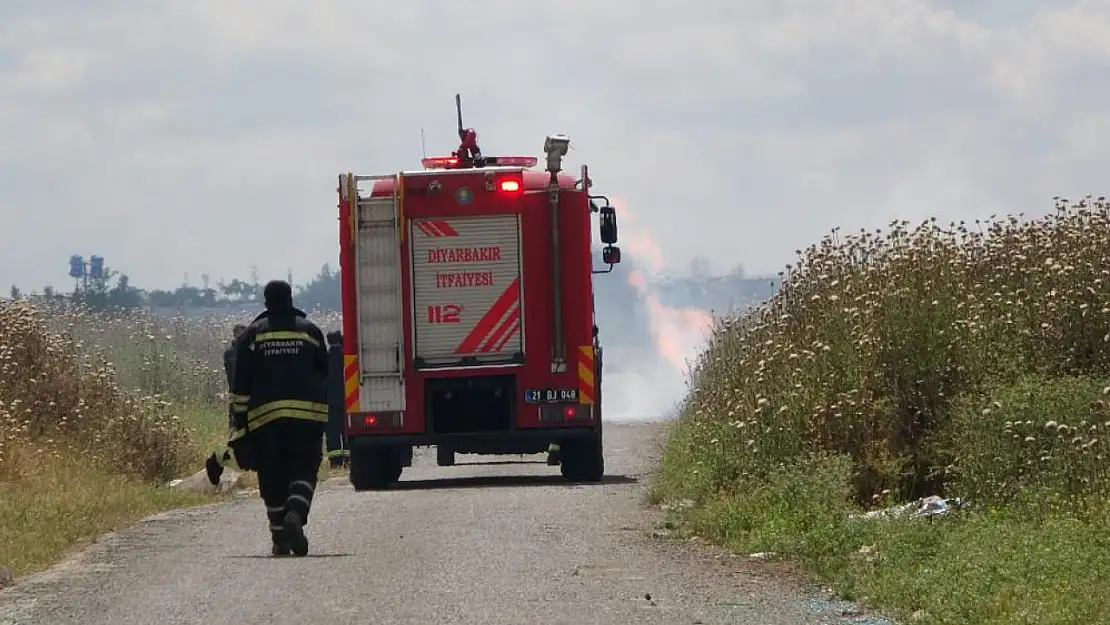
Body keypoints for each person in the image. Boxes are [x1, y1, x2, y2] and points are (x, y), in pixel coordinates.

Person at [227, 280, 329, 557]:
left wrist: (239, 422)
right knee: (304, 468)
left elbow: (241, 382)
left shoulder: (251, 336)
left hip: (265, 419)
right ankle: (296, 513)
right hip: (307, 416)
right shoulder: (311, 331)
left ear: (266, 302)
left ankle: (280, 538)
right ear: (290, 298)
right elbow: (324, 371)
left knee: (272, 475)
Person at [325, 330, 350, 469]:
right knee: (347, 430)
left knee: (332, 432)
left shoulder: (325, 358)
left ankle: (335, 461)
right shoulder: (347, 357)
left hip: (330, 402)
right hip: (347, 401)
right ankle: (349, 458)